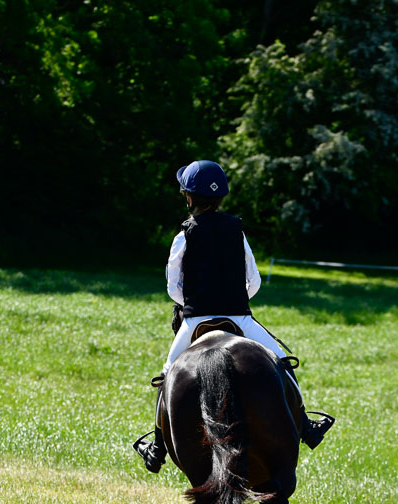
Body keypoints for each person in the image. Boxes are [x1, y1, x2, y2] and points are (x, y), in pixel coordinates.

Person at [134, 160, 334, 473]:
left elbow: (174, 287)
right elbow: (252, 281)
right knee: (283, 362)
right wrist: (234, 301)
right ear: (221, 197)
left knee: (169, 375)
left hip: (195, 320)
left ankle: (158, 445)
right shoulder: (236, 231)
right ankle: (306, 425)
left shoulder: (183, 236)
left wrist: (194, 303)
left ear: (188, 197)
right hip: (240, 318)